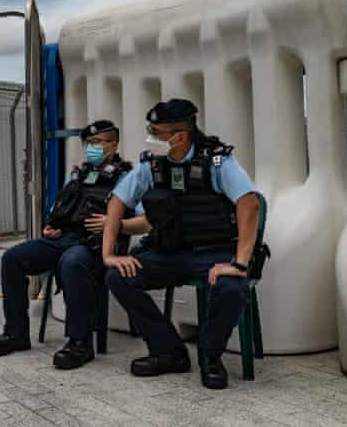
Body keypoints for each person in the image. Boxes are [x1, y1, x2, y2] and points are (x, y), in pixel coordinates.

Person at [101, 99, 260, 390]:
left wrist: (239, 263)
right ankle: (168, 351)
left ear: (181, 136)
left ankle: (210, 357)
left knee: (231, 287)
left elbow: (249, 204)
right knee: (118, 277)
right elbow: (117, 200)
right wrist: (109, 254)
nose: (151, 137)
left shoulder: (217, 160)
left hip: (214, 253)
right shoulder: (152, 164)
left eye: (157, 132)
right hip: (166, 252)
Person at [0, 120, 134, 369]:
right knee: (12, 258)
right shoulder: (78, 175)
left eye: (98, 143)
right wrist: (51, 227)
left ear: (114, 145)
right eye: (89, 143)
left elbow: (142, 218)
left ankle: (80, 343)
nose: (91, 148)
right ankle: (16, 334)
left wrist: (113, 223)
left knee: (72, 262)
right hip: (63, 239)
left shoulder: (128, 177)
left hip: (97, 246)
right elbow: (60, 210)